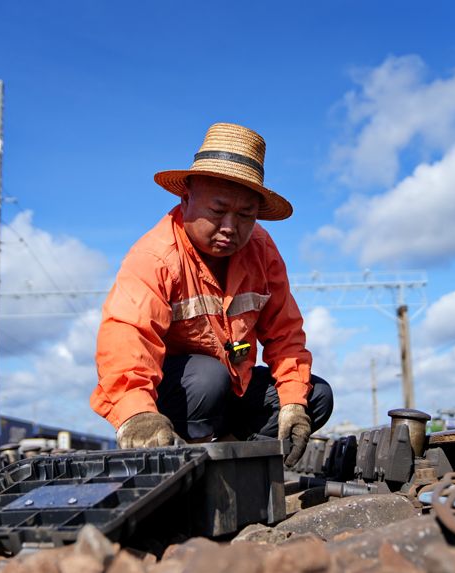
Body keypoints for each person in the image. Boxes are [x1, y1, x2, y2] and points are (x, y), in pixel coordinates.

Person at [91, 123, 333, 466]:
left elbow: (285, 334)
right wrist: (137, 415)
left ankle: (225, 464)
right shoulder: (155, 258)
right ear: (186, 199)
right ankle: (181, 471)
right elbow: (127, 337)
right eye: (218, 211)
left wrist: (293, 403)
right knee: (208, 377)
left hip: (228, 387)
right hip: (175, 396)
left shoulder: (262, 251)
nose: (230, 228)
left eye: (245, 215)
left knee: (315, 395)